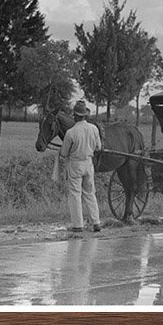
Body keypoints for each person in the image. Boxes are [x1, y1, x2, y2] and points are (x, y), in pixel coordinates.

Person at [59, 99, 102, 235]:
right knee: (90, 193)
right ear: (85, 115)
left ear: (74, 115)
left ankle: (78, 225)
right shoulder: (94, 129)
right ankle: (96, 222)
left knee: (75, 194)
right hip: (88, 163)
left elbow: (64, 153)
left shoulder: (71, 132)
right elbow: (98, 147)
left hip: (75, 165)